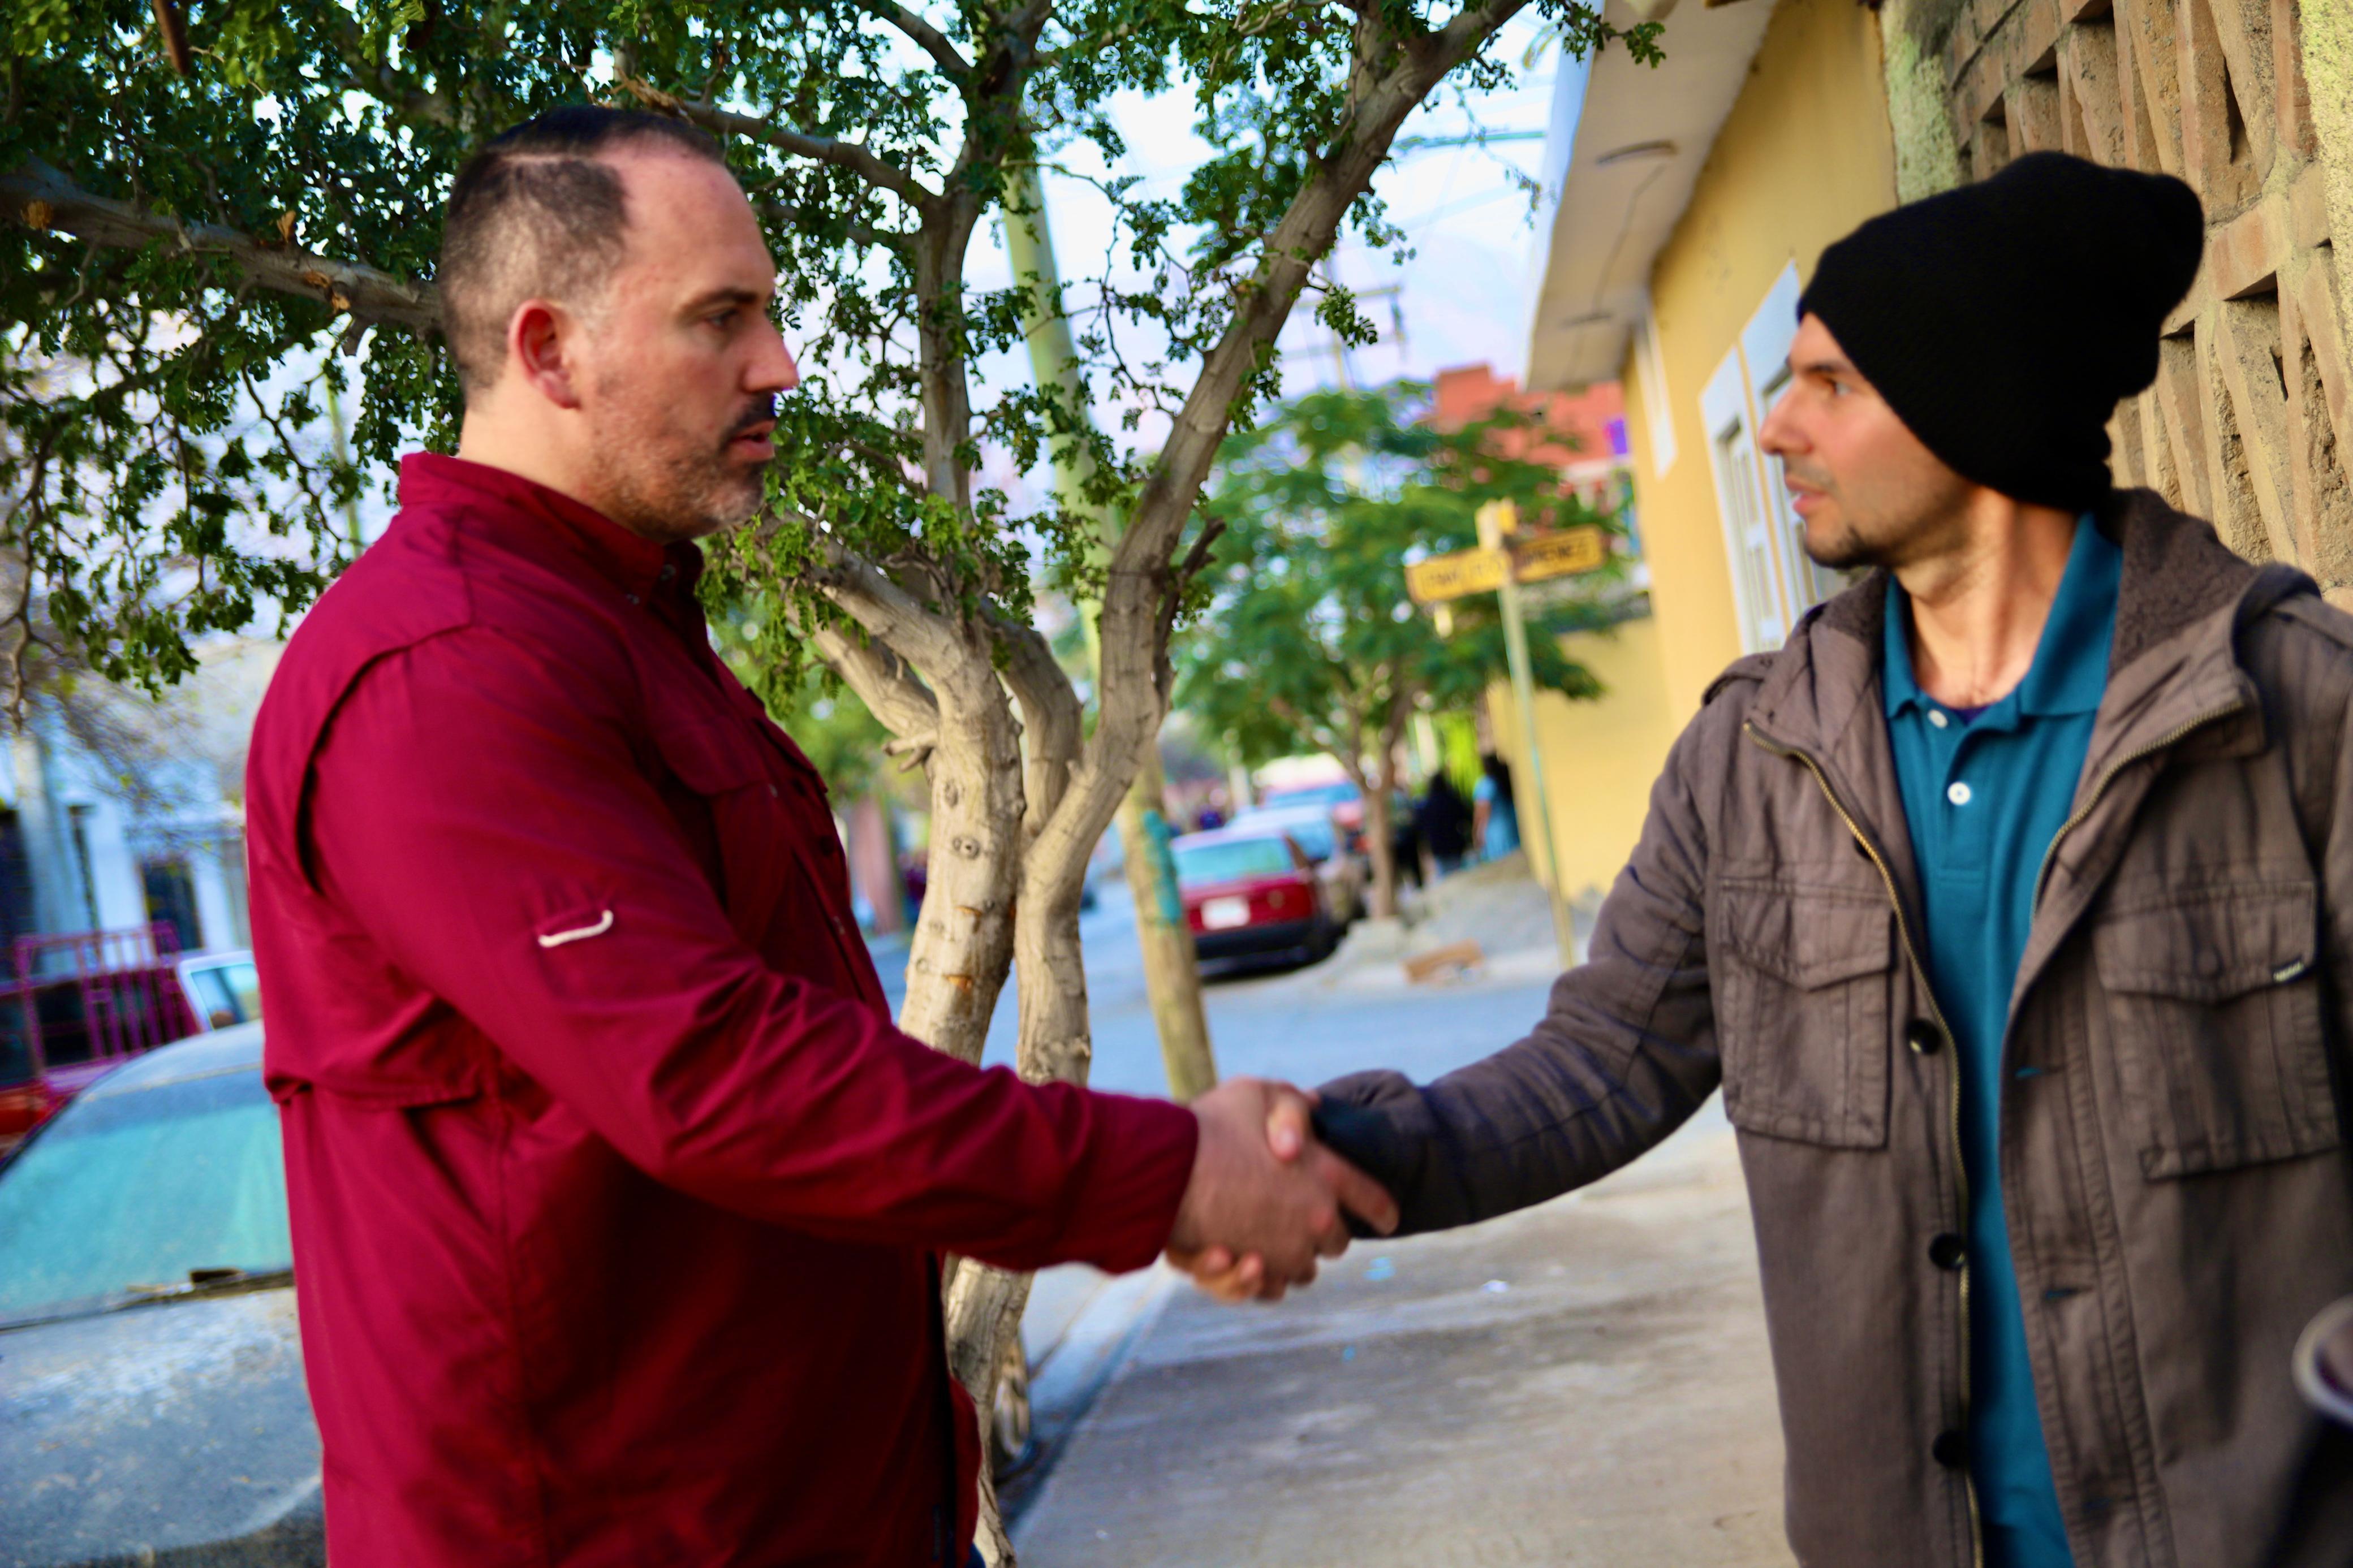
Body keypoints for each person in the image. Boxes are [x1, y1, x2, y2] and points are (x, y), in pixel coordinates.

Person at [245, 107, 1391, 1567]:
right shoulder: (445, 671)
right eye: (720, 319)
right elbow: (716, 1074)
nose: (778, 366)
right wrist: (1163, 1171)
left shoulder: (623, 630)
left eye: (770, 314)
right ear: (547, 351)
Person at [1218, 154, 2353, 1566]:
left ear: (1975, 405)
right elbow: (1605, 1059)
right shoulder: (1753, 757)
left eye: (1830, 385)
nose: (1773, 430)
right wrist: (1346, 1152)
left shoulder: (2289, 713)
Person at [1415, 770, 1474, 876]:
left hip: (1437, 846)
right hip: (1454, 844)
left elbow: (1420, 827)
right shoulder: (1452, 800)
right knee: (1458, 874)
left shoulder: (1427, 805)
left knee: (1444, 876)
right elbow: (1466, 816)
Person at [1470, 751, 1518, 860]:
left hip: (1496, 834)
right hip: (1511, 826)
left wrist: (1476, 832)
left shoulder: (1486, 784)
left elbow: (1483, 811)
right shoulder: (1503, 779)